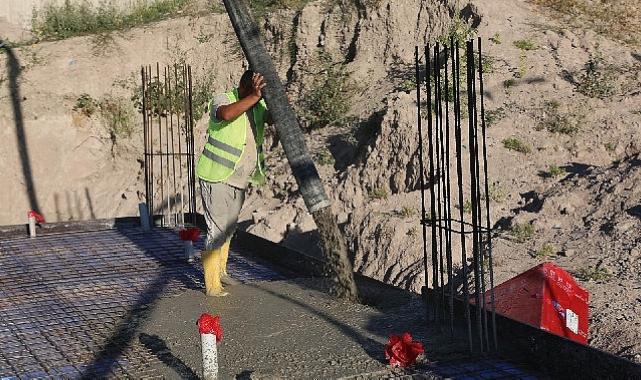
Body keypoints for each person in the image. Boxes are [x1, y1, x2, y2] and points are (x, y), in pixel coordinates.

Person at [196, 70, 271, 297]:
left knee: (228, 228)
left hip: (238, 179)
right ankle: (212, 285)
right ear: (245, 87)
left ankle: (222, 272)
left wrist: (277, 100)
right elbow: (226, 115)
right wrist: (255, 97)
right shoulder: (223, 99)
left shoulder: (258, 106)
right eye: (254, 90)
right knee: (216, 229)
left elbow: (274, 119)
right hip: (216, 175)